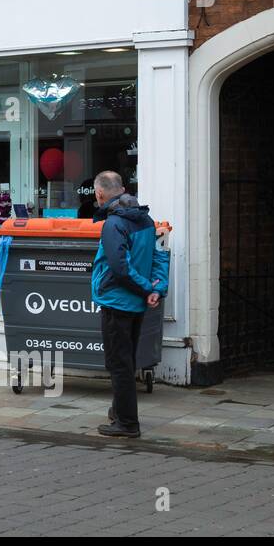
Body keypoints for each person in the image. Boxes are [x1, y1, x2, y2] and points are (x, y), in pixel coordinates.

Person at [91, 170, 166, 439]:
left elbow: (120, 268)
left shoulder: (113, 225)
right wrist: (156, 288)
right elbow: (159, 257)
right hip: (136, 303)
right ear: (122, 189)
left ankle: (127, 423)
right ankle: (118, 412)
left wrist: (148, 288)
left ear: (100, 194)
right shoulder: (145, 219)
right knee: (126, 359)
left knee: (118, 363)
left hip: (116, 301)